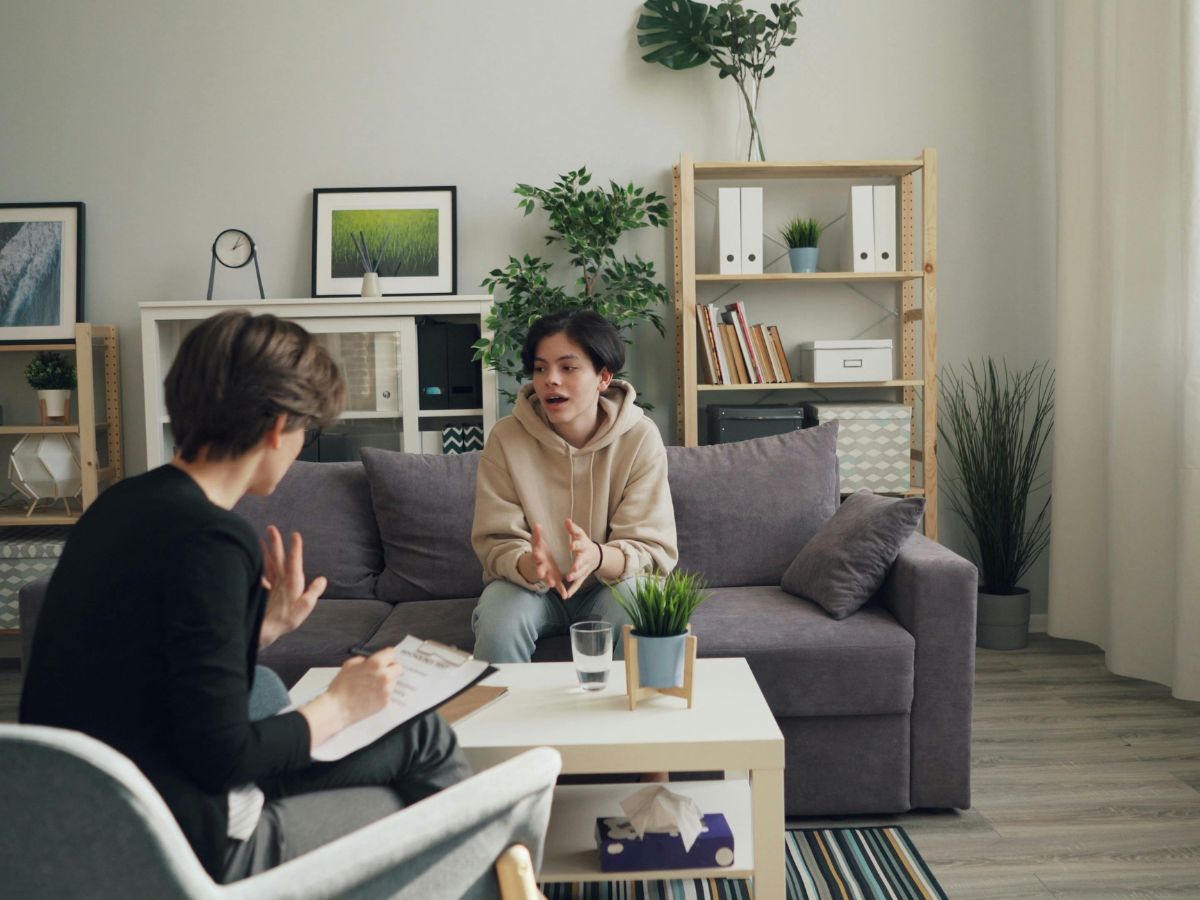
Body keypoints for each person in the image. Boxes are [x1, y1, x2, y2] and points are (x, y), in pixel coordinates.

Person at [20, 310, 471, 883]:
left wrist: (260, 630)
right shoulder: (213, 537)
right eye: (308, 428)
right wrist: (339, 704)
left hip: (83, 822)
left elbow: (143, 664)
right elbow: (221, 755)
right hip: (182, 844)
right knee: (432, 804)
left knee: (395, 730)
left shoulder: (121, 505)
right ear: (278, 426)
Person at [471, 310, 678, 664]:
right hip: (529, 588)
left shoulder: (640, 437)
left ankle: (631, 718)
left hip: (611, 585)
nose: (551, 379)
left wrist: (597, 555)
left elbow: (649, 546)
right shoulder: (506, 438)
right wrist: (528, 564)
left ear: (603, 377)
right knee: (498, 621)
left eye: (568, 368)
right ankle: (503, 718)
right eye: (540, 368)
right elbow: (495, 540)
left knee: (643, 608)